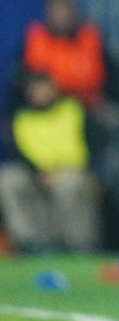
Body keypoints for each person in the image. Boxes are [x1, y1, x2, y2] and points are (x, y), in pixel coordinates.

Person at [0, 72, 99, 252]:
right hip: (36, 172)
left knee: (69, 184)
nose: (40, 93)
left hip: (72, 169)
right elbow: (17, 152)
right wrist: (38, 172)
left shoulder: (73, 109)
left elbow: (94, 142)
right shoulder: (21, 117)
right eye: (35, 89)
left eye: (44, 88)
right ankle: (29, 241)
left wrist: (92, 172)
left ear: (54, 89)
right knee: (8, 178)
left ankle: (75, 244)